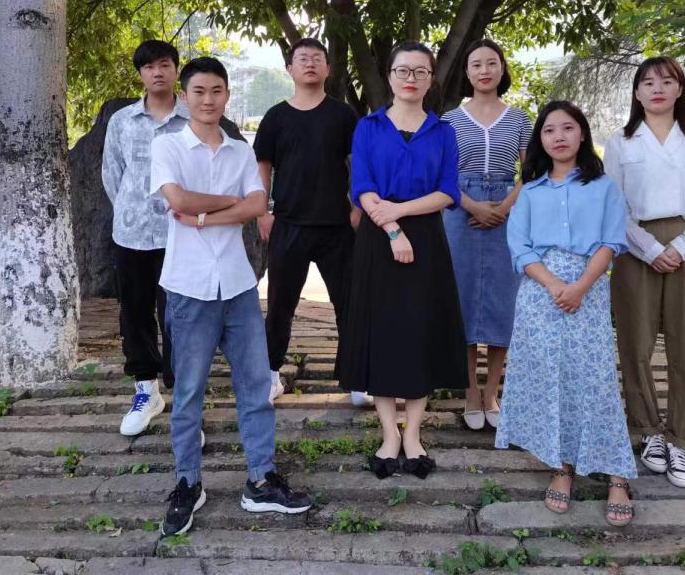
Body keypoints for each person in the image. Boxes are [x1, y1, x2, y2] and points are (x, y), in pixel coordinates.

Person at [151, 56, 311, 536]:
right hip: (188, 286)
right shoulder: (168, 145)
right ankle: (187, 483)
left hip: (238, 285)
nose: (208, 99)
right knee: (188, 392)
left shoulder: (241, 151)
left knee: (256, 387)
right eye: (199, 91)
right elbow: (177, 200)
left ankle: (261, 479)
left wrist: (204, 216)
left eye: (217, 91)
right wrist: (228, 203)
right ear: (184, 96)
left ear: (226, 95)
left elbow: (258, 203)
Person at [495, 100, 636, 527]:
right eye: (549, 130)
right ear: (540, 139)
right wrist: (555, 285)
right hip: (540, 292)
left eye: (568, 128)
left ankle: (617, 474)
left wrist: (579, 286)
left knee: (594, 378)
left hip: (588, 288)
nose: (558, 136)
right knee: (549, 377)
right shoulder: (531, 190)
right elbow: (519, 246)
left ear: (582, 134)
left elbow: (611, 242)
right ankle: (562, 466)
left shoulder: (604, 187)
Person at [336, 41, 468, 481]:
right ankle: (388, 433)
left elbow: (447, 191)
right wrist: (392, 229)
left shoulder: (443, 131)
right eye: (403, 71)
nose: (411, 79)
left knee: (419, 333)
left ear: (431, 78)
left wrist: (402, 212)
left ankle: (413, 433)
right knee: (383, 333)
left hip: (427, 238)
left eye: (420, 71)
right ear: (390, 76)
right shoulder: (368, 126)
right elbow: (362, 187)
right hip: (378, 240)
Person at [604, 56, 685, 490]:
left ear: (679, 89)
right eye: (648, 82)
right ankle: (647, 430)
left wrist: (681, 247)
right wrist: (651, 249)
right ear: (637, 92)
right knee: (634, 343)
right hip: (636, 247)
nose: (657, 88)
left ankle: (683, 438)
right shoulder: (621, 142)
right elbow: (613, 204)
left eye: (667, 81)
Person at [253, 38, 369, 406]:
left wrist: (357, 208)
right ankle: (270, 373)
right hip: (288, 224)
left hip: (337, 225)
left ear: (328, 68)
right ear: (289, 68)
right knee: (280, 306)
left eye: (317, 58)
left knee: (349, 303)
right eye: (302, 58)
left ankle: (355, 378)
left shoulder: (343, 115)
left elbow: (358, 163)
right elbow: (263, 167)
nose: (310, 64)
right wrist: (262, 212)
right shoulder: (275, 117)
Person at [442, 39, 531, 431]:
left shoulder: (520, 119)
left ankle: (492, 391)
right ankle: (469, 392)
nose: (484, 70)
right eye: (476, 64)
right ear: (467, 72)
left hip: (507, 210)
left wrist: (504, 207)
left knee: (502, 302)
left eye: (491, 63)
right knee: (461, 301)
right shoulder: (449, 119)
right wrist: (473, 206)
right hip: (459, 210)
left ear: (502, 68)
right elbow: (441, 173)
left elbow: (531, 172)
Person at [102, 39, 188, 436]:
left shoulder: (191, 118)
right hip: (131, 234)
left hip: (180, 235)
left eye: (164, 64)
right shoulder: (122, 121)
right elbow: (112, 175)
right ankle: (146, 390)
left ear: (175, 70)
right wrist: (130, 209)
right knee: (134, 313)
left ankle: (184, 398)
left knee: (179, 316)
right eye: (149, 66)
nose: (157, 72)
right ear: (140, 73)